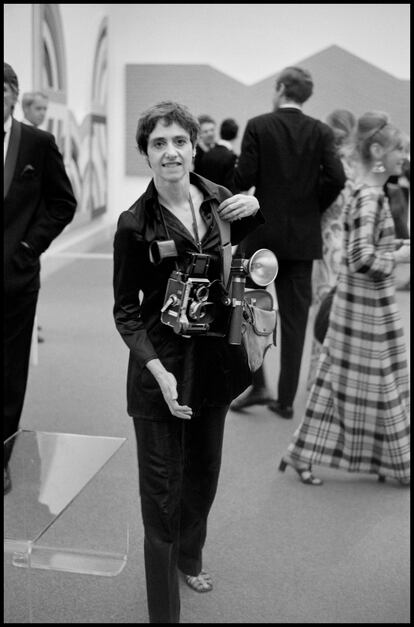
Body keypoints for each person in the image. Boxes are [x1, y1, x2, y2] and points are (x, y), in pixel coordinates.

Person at [113, 101, 263, 623]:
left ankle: (191, 554)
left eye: (179, 140)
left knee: (202, 477)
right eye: (158, 143)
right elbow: (125, 311)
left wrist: (255, 210)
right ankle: (164, 615)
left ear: (193, 145)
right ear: (146, 155)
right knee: (159, 499)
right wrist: (156, 370)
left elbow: (247, 265)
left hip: (214, 368)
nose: (171, 151)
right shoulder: (134, 223)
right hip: (160, 372)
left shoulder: (221, 202)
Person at [279, 111, 410, 487]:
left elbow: (364, 249)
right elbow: (359, 258)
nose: (404, 157)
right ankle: (394, 463)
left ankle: (308, 455)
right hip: (364, 309)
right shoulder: (370, 197)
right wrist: (398, 257)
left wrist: (396, 247)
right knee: (373, 381)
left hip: (367, 306)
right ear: (377, 151)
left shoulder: (371, 194)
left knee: (347, 382)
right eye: (399, 149)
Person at [229, 66, 346, 418]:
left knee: (247, 309)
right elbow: (336, 178)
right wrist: (312, 207)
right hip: (302, 241)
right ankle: (285, 401)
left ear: (280, 88)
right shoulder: (321, 131)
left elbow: (243, 178)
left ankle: (257, 383)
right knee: (295, 322)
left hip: (261, 238)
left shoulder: (259, 125)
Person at [4, 63, 77, 493]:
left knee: (9, 372)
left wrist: (30, 247)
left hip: (14, 277)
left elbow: (62, 203)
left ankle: (3, 455)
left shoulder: (36, 143)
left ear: (13, 93)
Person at [306, 109, 357, 389]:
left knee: (323, 311)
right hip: (349, 243)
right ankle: (341, 378)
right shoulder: (357, 164)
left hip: (326, 242)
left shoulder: (324, 162)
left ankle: (318, 378)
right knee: (345, 313)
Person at [21, 91, 50, 342]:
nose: (43, 114)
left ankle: (33, 322)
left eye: (45, 109)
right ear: (25, 108)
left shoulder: (42, 141)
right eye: (39, 109)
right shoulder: (23, 142)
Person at [193, 113, 237, 188]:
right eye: (206, 131)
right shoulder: (195, 154)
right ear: (199, 134)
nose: (210, 134)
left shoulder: (220, 150)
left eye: (212, 130)